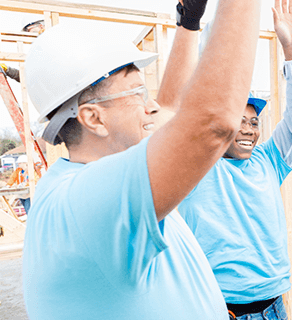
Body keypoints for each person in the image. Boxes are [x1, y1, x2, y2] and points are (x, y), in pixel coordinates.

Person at [21, 0, 261, 318]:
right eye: (137, 94)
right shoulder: (84, 201)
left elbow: (171, 112)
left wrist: (189, 23)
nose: (151, 107)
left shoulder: (95, 176)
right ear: (94, 118)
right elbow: (212, 125)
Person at [177, 1, 292, 319]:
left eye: (254, 122)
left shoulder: (267, 161)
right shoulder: (198, 165)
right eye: (238, 119)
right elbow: (188, 107)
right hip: (218, 308)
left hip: (274, 306)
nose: (248, 129)